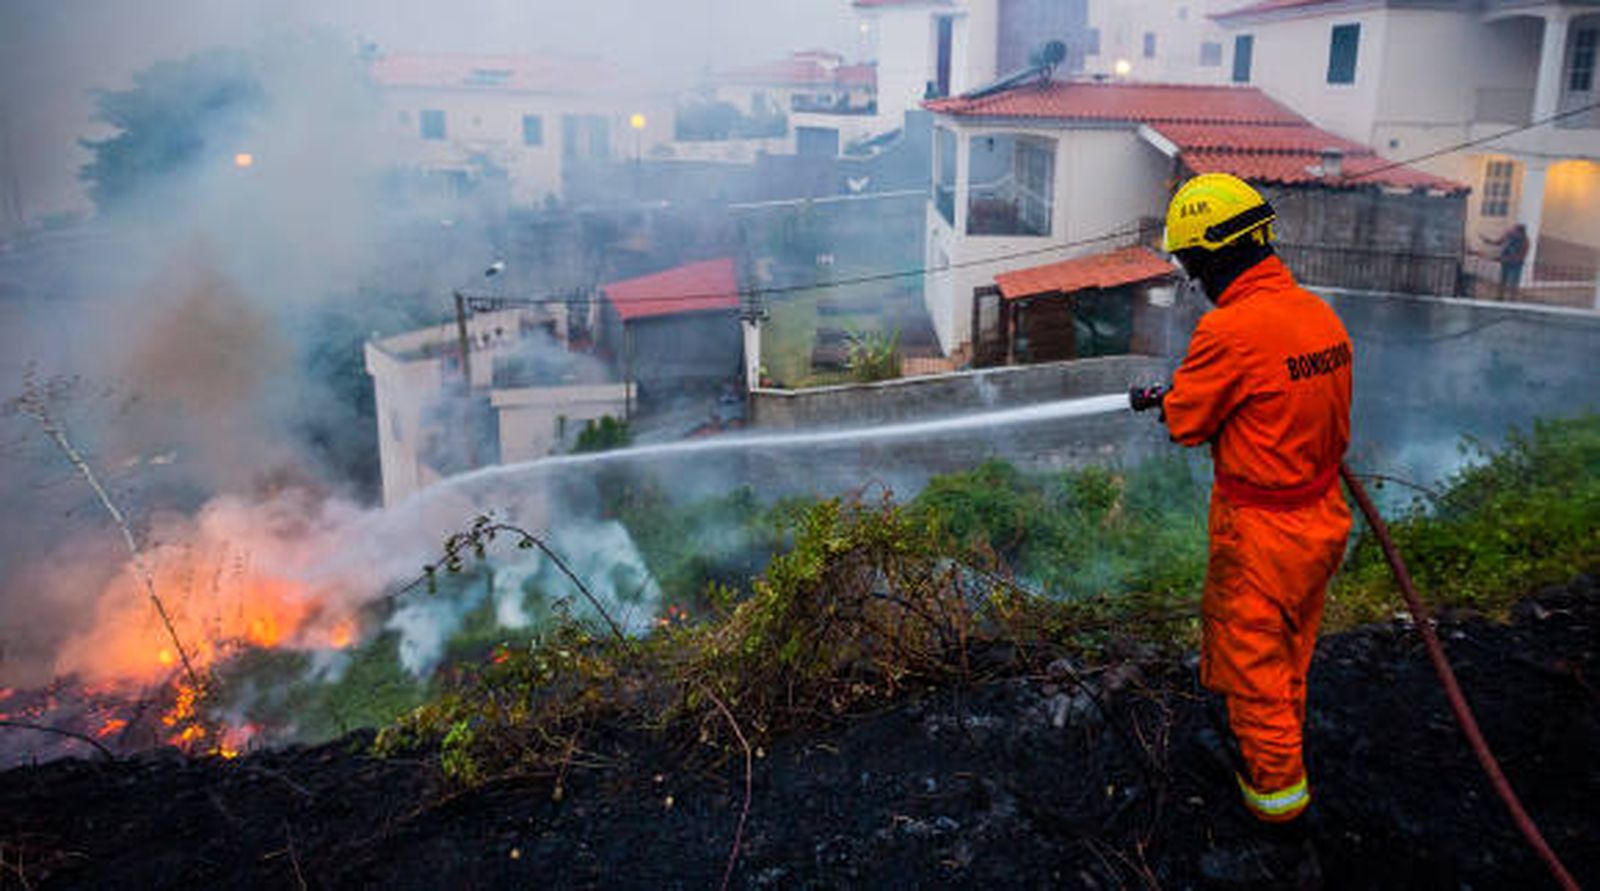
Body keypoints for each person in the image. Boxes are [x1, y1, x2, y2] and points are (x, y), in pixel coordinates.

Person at [1129, 173, 1353, 832]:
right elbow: (1278, 402)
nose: (1193, 278)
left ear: (1215, 253)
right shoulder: (1318, 315)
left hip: (1261, 534)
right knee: (1289, 654)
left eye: (1192, 263)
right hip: (1321, 519)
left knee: (1252, 667)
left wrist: (1174, 399)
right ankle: (1279, 756)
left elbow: (1187, 424)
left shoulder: (1231, 330)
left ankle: (1277, 810)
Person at [1481, 223, 1529, 300]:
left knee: (1510, 281)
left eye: (1514, 229)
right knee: (1507, 281)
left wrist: (1505, 258)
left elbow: (1522, 253)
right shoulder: (1514, 237)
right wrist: (1488, 241)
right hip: (1510, 262)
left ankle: (1508, 297)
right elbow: (1498, 242)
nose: (1512, 231)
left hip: (1514, 263)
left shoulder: (1522, 240)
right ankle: (1504, 297)